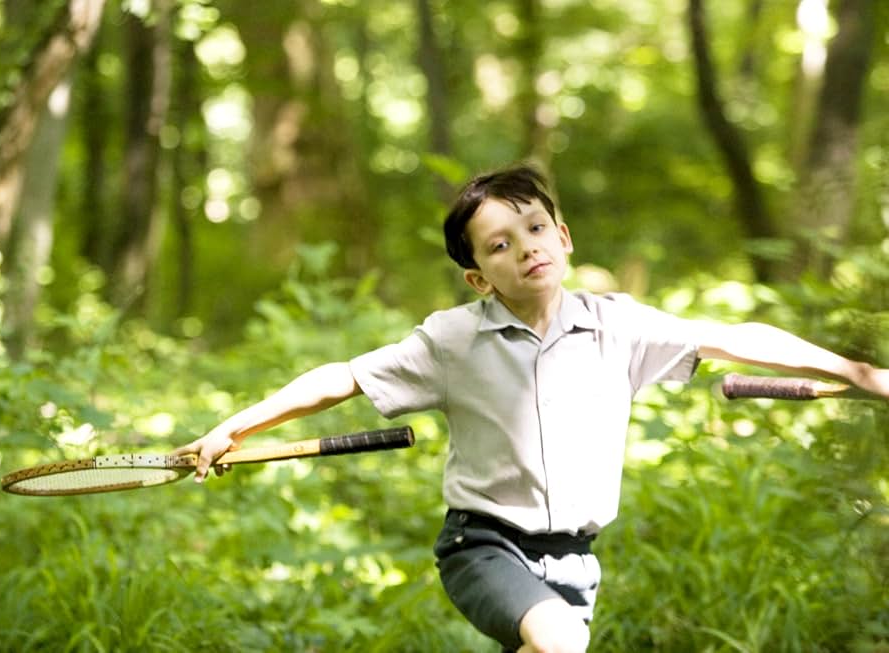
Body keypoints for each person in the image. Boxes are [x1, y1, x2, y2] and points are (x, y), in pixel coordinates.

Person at [173, 165, 888, 653]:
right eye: (500, 245)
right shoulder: (452, 341)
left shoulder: (617, 326)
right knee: (560, 642)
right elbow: (343, 379)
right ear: (479, 278)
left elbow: (739, 338)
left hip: (577, 561)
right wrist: (234, 427)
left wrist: (863, 372)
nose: (526, 249)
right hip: (483, 546)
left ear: (563, 237)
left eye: (536, 229)